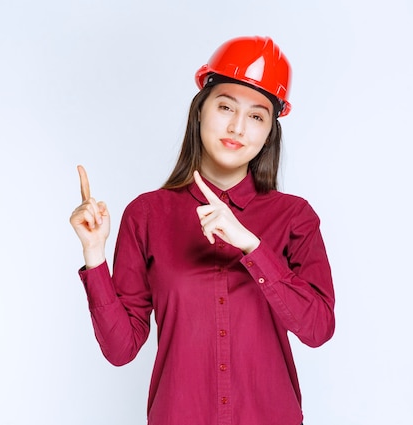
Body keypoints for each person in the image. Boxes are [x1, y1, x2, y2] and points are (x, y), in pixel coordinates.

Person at [70, 36, 335, 425]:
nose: (237, 127)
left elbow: (318, 329)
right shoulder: (147, 214)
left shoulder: (294, 217)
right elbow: (121, 348)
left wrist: (251, 245)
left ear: (269, 133)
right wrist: (94, 254)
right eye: (225, 106)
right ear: (200, 111)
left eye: (257, 116)